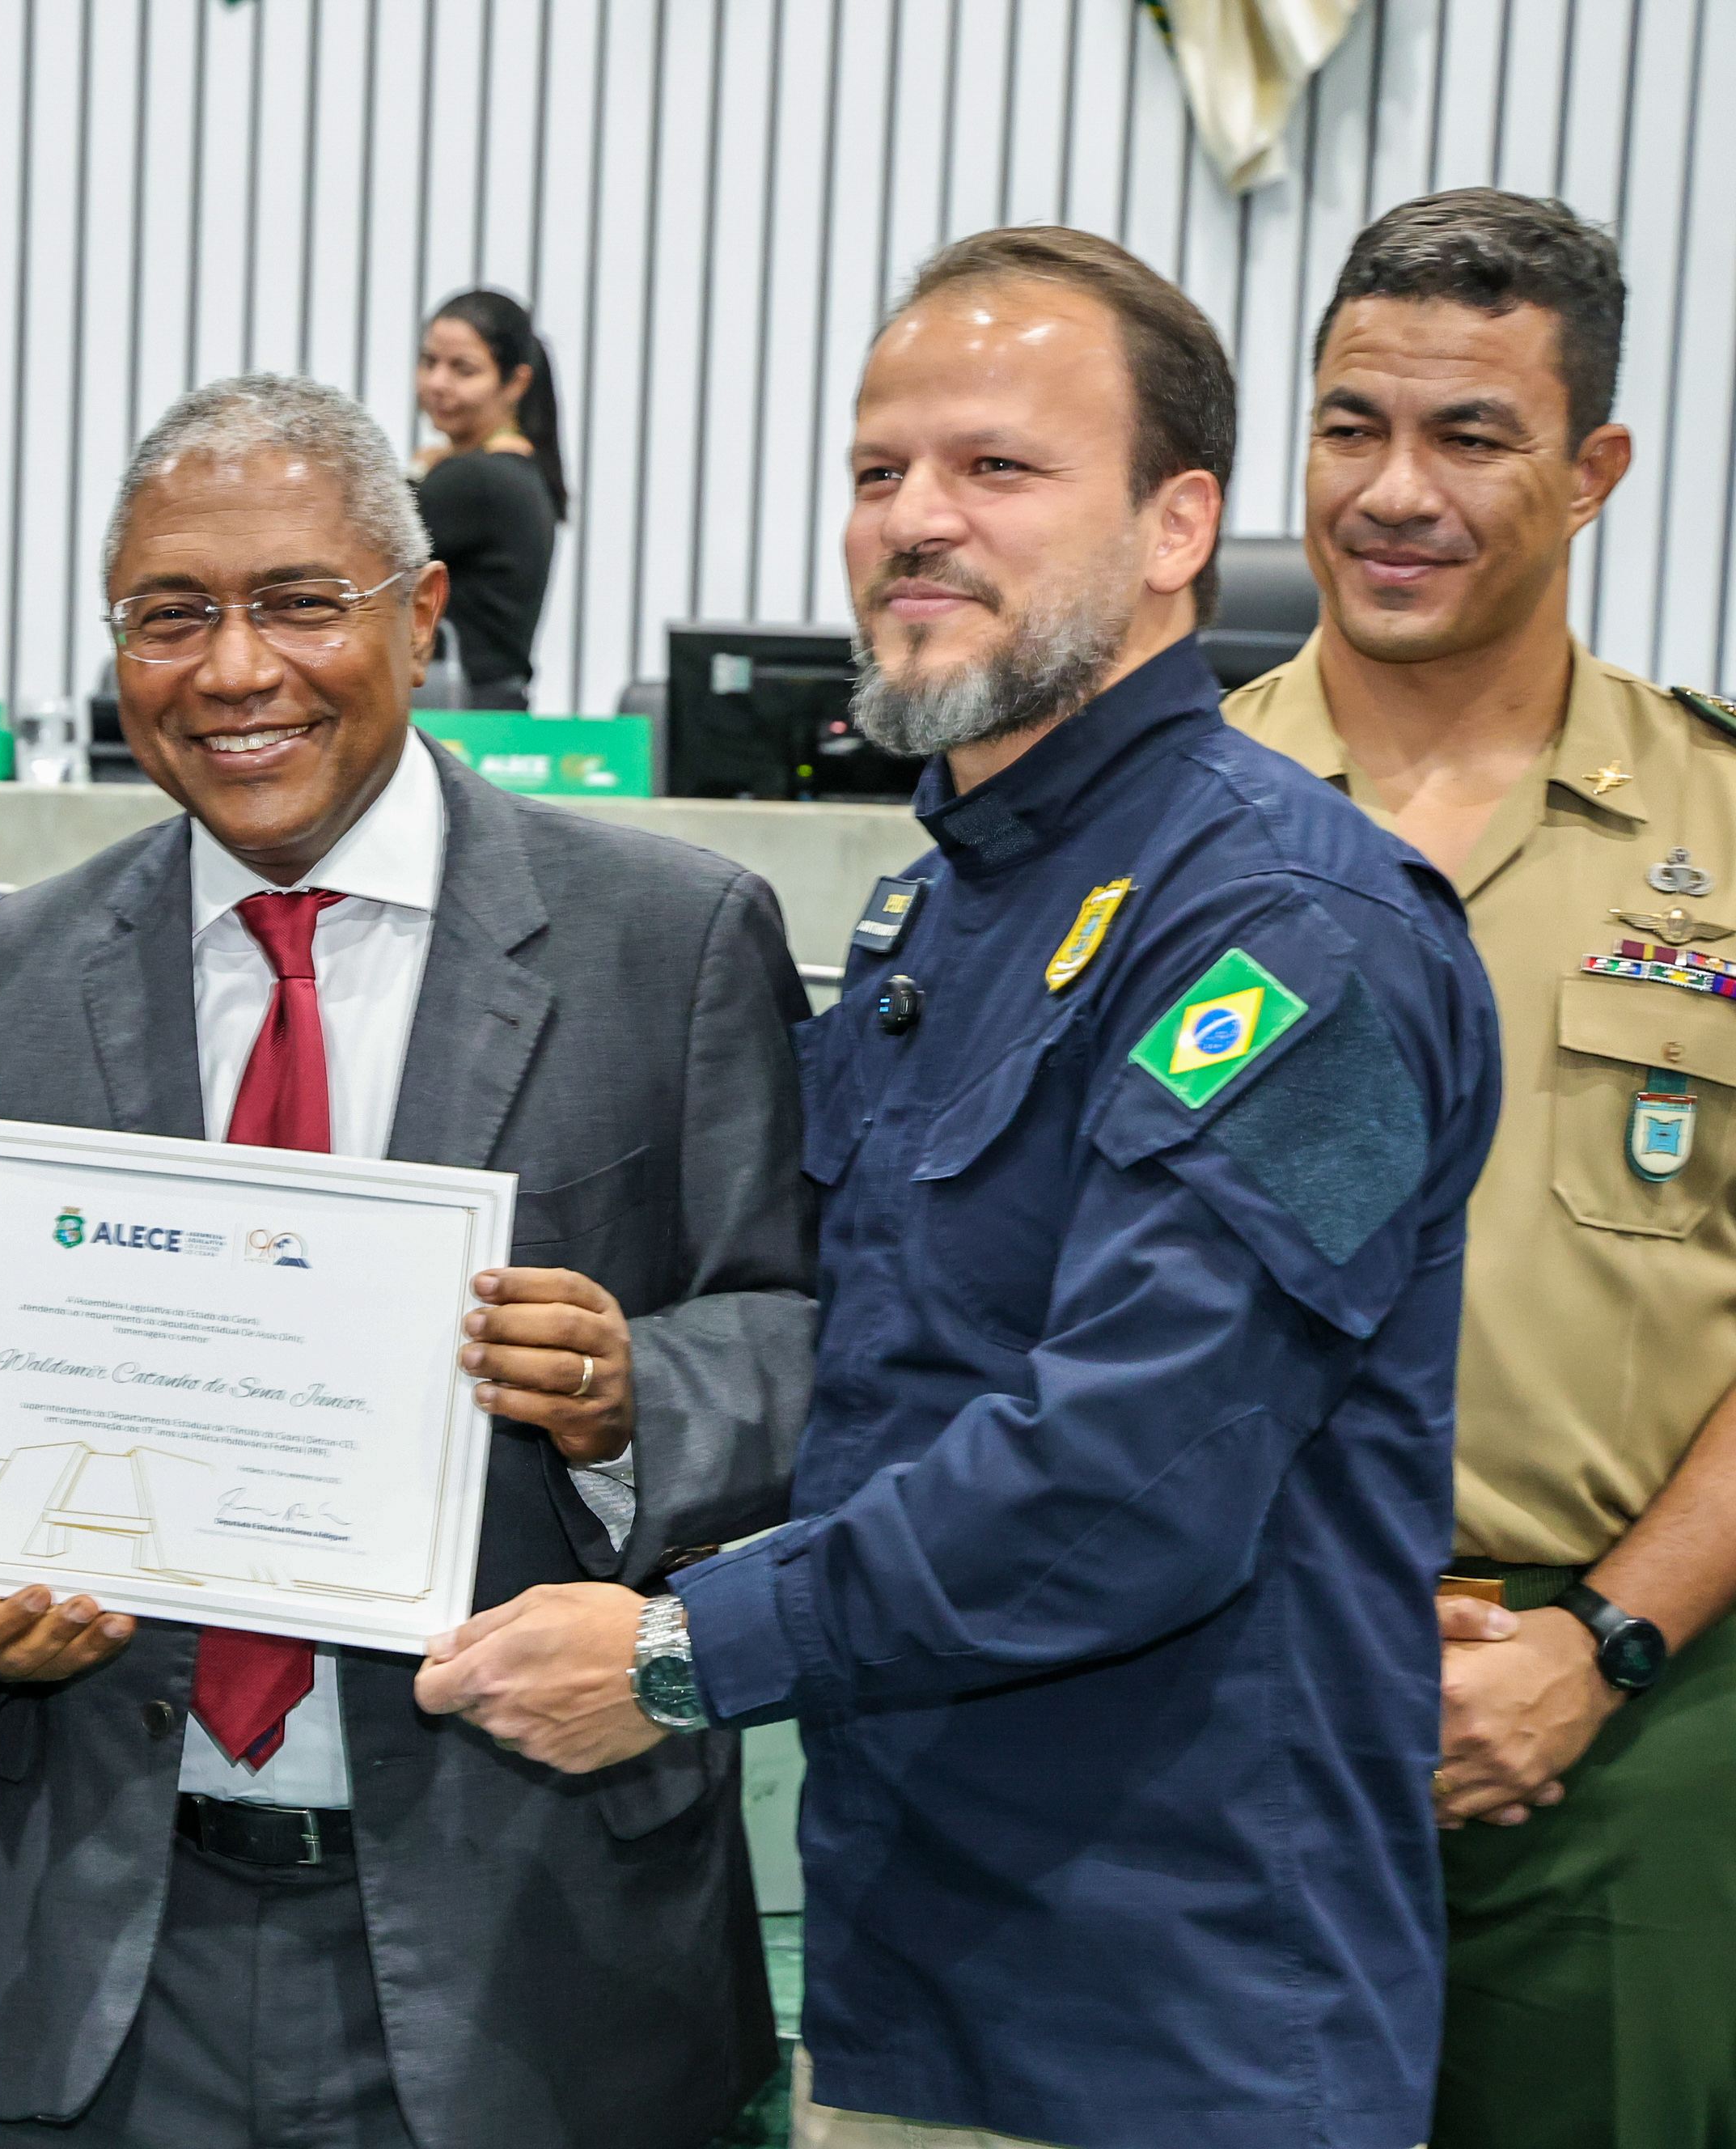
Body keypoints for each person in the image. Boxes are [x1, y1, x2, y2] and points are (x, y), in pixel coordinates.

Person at [419, 228, 1501, 2149]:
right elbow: (888, 1357)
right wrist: (632, 1387)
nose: (916, 518)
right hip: (917, 1973)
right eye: (878, 469)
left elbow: (1135, 1473)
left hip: (1178, 2019)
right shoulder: (943, 904)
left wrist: (682, 1654)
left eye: (997, 465)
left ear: (1178, 525)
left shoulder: (1290, 931)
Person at [0, 373, 817, 2149]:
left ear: (420, 617)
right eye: (169, 615)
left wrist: (633, 1391)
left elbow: (803, 1332)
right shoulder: (12, 975)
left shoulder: (669, 937)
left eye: (296, 601)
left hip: (533, 1948)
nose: (232, 668)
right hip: (116, 1954)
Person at [1223, 189, 1736, 2149]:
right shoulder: (1166, 820)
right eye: (1351, 427)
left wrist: (1599, 1642)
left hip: (1626, 1727)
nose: (1393, 492)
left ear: (1594, 470)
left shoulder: (1718, 829)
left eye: (1470, 436)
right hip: (1212, 1696)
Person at [411, 290, 564, 708]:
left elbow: (362, 542)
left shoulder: (478, 479)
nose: (437, 382)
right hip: (489, 710)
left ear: (515, 383)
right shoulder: (516, 470)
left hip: (458, 715)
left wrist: (418, 472)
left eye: (463, 369)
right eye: (429, 362)